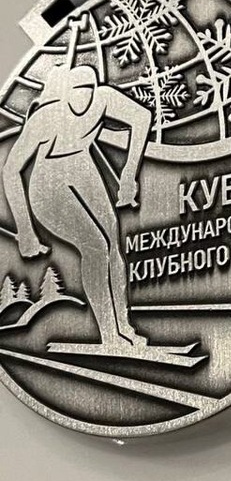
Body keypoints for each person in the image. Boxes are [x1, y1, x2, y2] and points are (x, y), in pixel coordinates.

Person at [3, 62, 152, 347]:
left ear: (95, 89)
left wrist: (129, 173)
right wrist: (26, 231)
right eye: (76, 90)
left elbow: (142, 117)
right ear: (65, 92)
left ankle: (124, 327)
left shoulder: (103, 99)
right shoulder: (46, 119)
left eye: (88, 90)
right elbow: (11, 170)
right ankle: (109, 334)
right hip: (48, 181)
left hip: (82, 166)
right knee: (95, 246)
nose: (83, 97)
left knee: (113, 246)